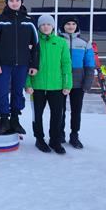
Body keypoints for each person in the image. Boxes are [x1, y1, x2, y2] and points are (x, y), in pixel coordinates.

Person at [0, 0, 39, 134]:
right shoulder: (0, 20)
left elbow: (36, 45)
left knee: (18, 92)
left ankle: (15, 120)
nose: (14, 3)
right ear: (7, 2)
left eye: (17, 0)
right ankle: (4, 120)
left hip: (22, 64)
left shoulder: (29, 21)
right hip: (3, 64)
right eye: (11, 1)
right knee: (2, 92)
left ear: (21, 2)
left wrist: (34, 64)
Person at [24, 15, 72, 154]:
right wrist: (28, 83)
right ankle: (39, 139)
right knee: (37, 114)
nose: (46, 27)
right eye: (43, 24)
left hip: (56, 87)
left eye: (48, 24)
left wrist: (67, 84)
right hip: (37, 86)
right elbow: (27, 63)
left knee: (57, 114)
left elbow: (66, 64)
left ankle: (55, 140)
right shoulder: (33, 42)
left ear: (53, 26)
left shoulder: (61, 42)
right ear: (39, 27)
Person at [58, 15, 95, 149]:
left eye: (73, 24)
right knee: (59, 110)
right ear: (63, 26)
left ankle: (74, 136)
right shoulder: (57, 41)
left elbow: (90, 65)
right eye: (68, 24)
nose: (71, 26)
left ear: (77, 26)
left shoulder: (84, 43)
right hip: (60, 82)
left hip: (78, 83)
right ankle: (59, 134)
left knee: (76, 111)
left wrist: (87, 83)